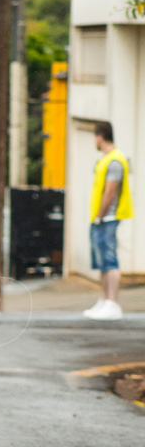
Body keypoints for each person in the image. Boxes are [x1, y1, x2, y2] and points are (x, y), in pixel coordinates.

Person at [83, 122, 134, 321]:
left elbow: (110, 192)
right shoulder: (107, 160)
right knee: (103, 261)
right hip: (101, 219)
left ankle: (112, 303)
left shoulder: (115, 161)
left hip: (107, 218)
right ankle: (105, 301)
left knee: (109, 260)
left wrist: (100, 215)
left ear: (99, 137)